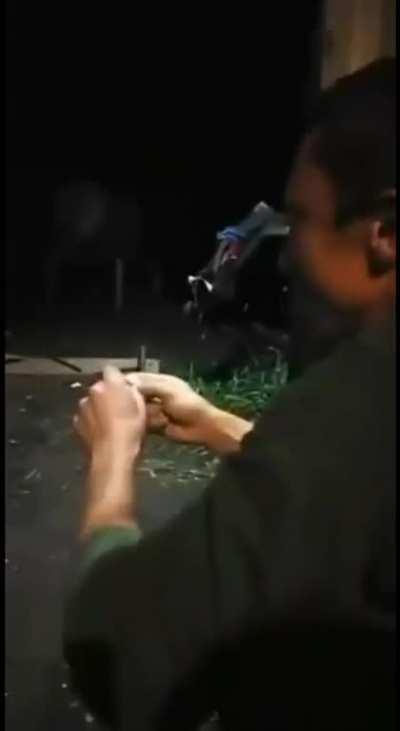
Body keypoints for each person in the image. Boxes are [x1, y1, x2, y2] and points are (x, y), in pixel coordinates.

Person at [64, 58, 396, 731]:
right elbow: (360, 504)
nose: (287, 255)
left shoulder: (368, 387)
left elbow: (120, 652)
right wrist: (219, 423)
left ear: (385, 232)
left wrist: (111, 460)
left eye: (303, 220)